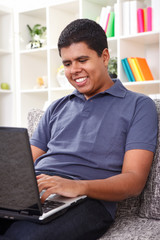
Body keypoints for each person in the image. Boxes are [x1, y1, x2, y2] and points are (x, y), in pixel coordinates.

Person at [0, 18, 158, 240]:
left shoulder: (139, 105)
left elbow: (134, 181)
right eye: (67, 63)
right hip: (38, 193)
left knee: (21, 237)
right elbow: (23, 165)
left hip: (89, 201)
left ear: (104, 57)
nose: (74, 70)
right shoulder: (56, 107)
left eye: (82, 60)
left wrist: (76, 186)